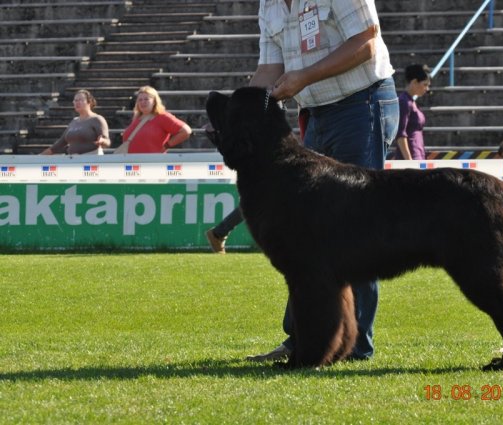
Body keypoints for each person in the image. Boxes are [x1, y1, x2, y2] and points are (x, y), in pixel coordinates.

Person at [214, 0, 398, 363]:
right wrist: (237, 112)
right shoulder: (268, 5)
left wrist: (304, 77)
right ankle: (304, 340)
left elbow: (365, 43)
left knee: (351, 232)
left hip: (362, 106)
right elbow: (269, 68)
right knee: (304, 237)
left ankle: (354, 345)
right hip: (315, 112)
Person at [119, 86, 192, 153]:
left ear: (154, 101)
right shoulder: (137, 118)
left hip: (152, 163)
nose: (142, 102)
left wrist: (167, 145)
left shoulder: (162, 116)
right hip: (132, 162)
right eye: (140, 100)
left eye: (146, 99)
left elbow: (186, 131)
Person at [41, 89, 110, 155]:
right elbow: (60, 143)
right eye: (75, 100)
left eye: (80, 100)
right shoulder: (74, 121)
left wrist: (102, 141)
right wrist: (40, 156)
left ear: (89, 102)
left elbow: (107, 141)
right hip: (73, 161)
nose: (77, 102)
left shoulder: (97, 119)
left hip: (91, 161)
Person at [392, 64, 430, 160]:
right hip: (411, 157)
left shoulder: (410, 101)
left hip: (417, 154)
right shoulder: (404, 102)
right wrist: (409, 161)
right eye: (425, 84)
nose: (427, 89)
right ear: (414, 82)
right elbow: (401, 134)